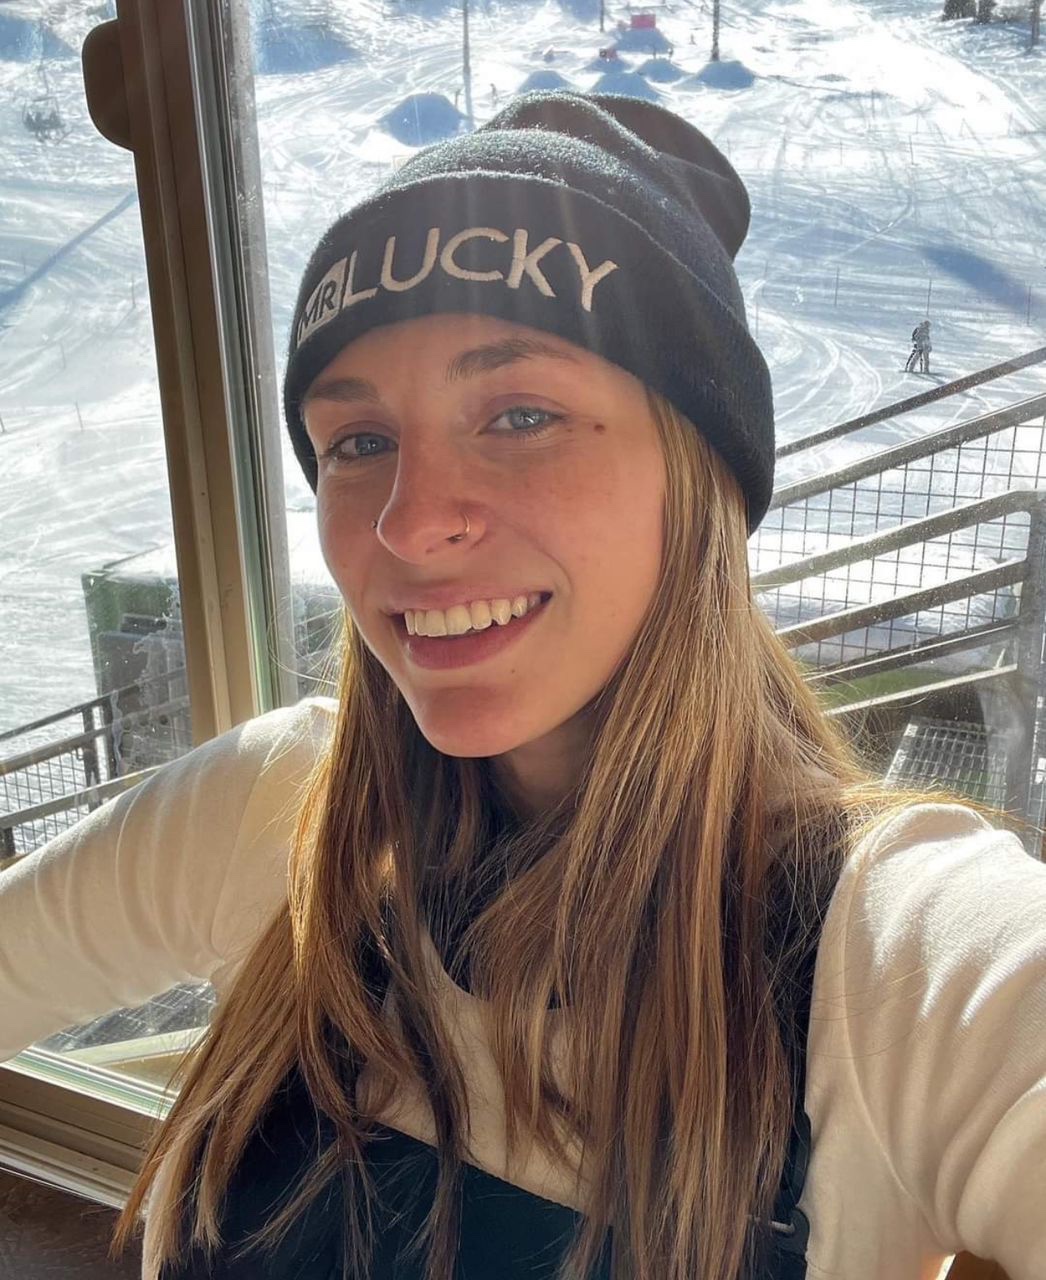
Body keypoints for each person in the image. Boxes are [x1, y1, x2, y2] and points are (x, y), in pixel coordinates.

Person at [2, 92, 1045, 1280]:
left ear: (698, 480)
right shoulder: (273, 807)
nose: (408, 522)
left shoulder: (896, 957)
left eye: (520, 414)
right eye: (358, 442)